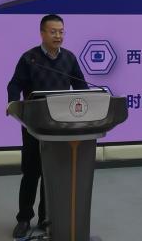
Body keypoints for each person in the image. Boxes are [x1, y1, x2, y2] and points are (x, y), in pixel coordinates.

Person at [7, 14, 87, 239]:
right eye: (53, 32)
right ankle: (24, 219)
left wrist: (88, 102)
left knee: (51, 173)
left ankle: (45, 217)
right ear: (42, 33)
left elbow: (81, 86)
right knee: (31, 173)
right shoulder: (30, 58)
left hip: (59, 127)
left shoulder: (69, 58)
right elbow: (14, 84)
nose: (58, 36)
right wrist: (12, 102)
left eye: (61, 32)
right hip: (34, 124)